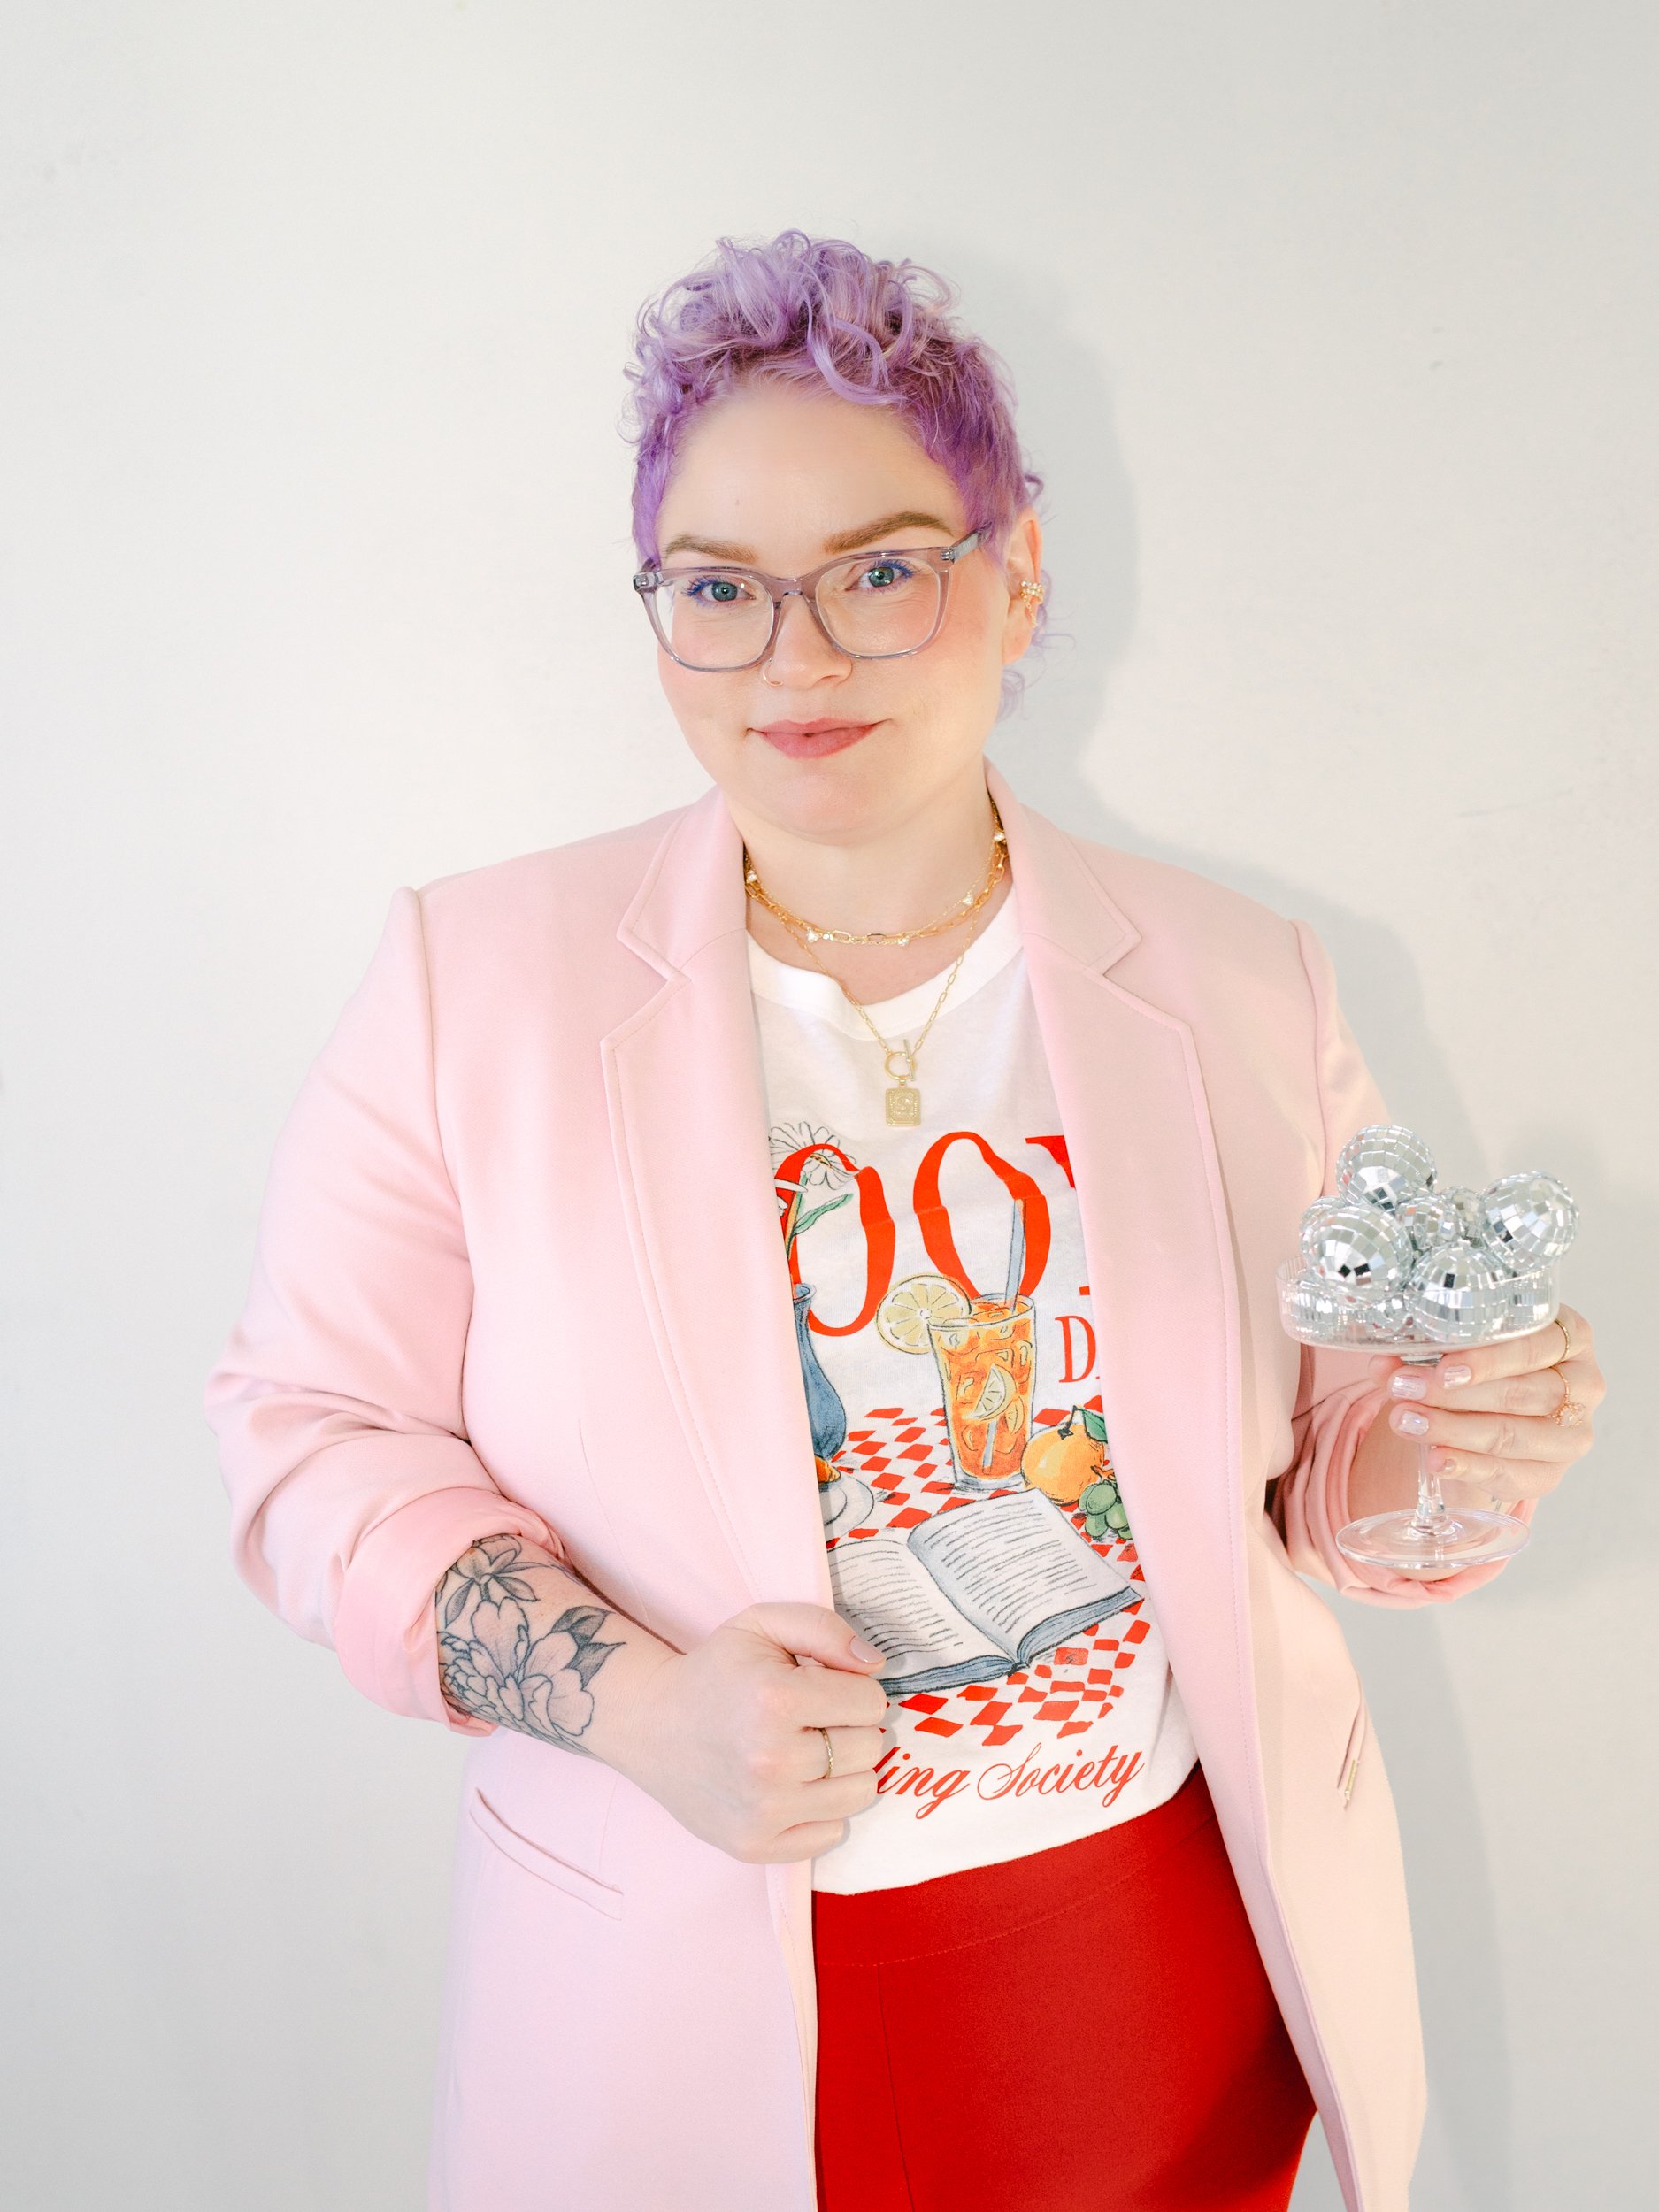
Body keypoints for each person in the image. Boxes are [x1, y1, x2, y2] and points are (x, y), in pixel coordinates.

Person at [204, 231, 1603, 2212]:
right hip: (670, 1994)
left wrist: (1452, 1459)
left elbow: (1326, 1491)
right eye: (719, 590)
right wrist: (637, 1701)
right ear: (656, 610)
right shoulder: (471, 982)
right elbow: (304, 1444)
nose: (798, 657)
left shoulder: (1238, 981)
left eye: (879, 568)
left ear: (1012, 571)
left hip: (1144, 1965)